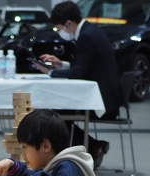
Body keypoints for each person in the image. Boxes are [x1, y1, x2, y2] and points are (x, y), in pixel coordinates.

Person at [37, 1, 119, 167]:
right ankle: (93, 145)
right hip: (103, 94)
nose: (60, 32)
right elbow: (82, 67)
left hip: (101, 100)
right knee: (56, 113)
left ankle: (90, 147)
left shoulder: (87, 36)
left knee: (53, 115)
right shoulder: (91, 31)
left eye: (59, 28)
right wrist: (61, 65)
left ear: (68, 23)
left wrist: (50, 72)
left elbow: (78, 74)